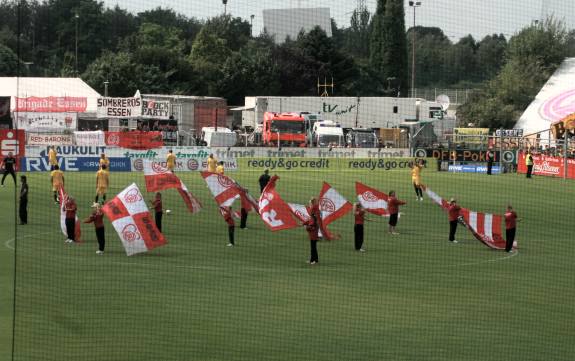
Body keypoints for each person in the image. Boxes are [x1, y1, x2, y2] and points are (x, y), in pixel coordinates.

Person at [304, 197, 334, 265]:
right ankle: (315, 259)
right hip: (314, 232)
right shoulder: (315, 211)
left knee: (313, 247)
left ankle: (313, 260)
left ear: (312, 203)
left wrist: (307, 228)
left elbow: (314, 223)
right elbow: (311, 220)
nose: (309, 205)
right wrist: (304, 223)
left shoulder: (314, 212)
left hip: (313, 233)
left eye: (310, 204)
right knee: (313, 246)